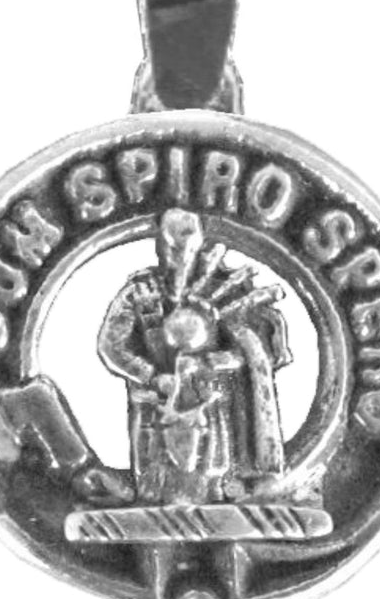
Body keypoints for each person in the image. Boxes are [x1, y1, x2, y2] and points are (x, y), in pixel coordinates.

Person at [97, 209, 291, 505]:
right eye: (172, 247)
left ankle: (218, 506)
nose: (180, 255)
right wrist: (152, 376)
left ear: (200, 244)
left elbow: (253, 348)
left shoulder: (220, 289)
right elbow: (111, 346)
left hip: (211, 400)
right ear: (161, 247)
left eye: (188, 246)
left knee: (213, 472)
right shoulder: (140, 293)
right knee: (155, 480)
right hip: (157, 404)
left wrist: (215, 362)